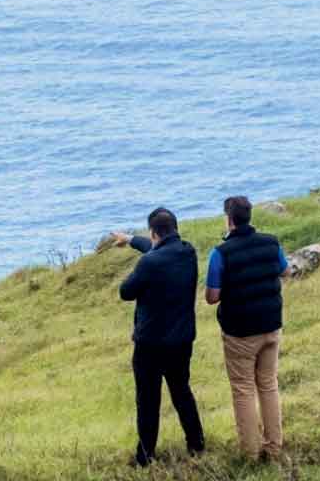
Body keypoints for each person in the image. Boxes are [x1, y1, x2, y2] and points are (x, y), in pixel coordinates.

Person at [113, 208, 205, 466]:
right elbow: (154, 249)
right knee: (181, 392)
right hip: (181, 340)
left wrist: (139, 260)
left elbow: (126, 292)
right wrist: (130, 239)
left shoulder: (149, 263)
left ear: (154, 233)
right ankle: (196, 445)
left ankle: (146, 455)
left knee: (148, 400)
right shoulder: (188, 253)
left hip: (150, 344)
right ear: (175, 229)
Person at [204, 196, 291, 461]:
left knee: (243, 389)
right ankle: (274, 447)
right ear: (249, 216)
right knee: (268, 385)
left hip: (240, 332)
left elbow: (212, 296)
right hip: (271, 326)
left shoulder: (221, 253)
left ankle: (251, 453)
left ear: (229, 219)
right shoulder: (271, 243)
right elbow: (286, 272)